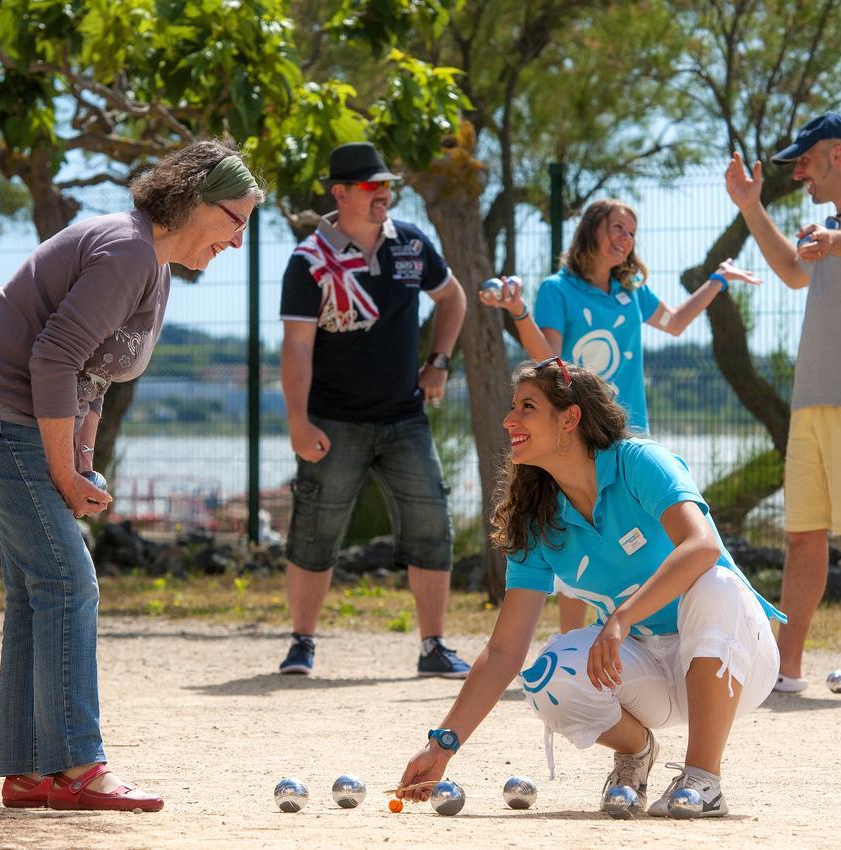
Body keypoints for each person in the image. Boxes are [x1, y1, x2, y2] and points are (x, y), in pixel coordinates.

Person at [0, 139, 262, 810]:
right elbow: (53, 360)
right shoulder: (127, 250)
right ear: (197, 201)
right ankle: (79, 766)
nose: (240, 240)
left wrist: (80, 462)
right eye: (237, 220)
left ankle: (30, 772)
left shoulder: (155, 265)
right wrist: (61, 470)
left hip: (1, 416)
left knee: (39, 585)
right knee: (67, 580)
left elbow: (93, 372)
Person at [396, 359, 784, 818]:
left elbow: (701, 547)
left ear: (570, 418)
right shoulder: (534, 517)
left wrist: (622, 618)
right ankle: (637, 752)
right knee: (545, 675)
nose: (509, 419)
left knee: (716, 582)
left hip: (736, 661)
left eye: (527, 407)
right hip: (648, 669)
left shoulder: (639, 462)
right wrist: (442, 744)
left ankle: (703, 779)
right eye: (512, 407)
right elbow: (504, 651)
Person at [478, 199, 760, 631]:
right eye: (616, 227)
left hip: (624, 439)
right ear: (590, 230)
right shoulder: (558, 289)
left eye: (630, 231)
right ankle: (577, 654)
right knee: (582, 561)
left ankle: (628, 644)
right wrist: (519, 311)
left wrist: (717, 280)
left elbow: (677, 322)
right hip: (576, 441)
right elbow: (550, 361)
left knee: (634, 553)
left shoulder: (631, 292)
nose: (624, 238)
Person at [725, 113, 841, 698]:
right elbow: (790, 270)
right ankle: (786, 670)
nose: (798, 173)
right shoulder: (831, 226)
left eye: (803, 161)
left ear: (838, 155)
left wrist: (834, 241)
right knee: (804, 535)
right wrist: (750, 206)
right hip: (811, 400)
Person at [277, 142, 470, 678]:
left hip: (405, 417)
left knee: (432, 523)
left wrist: (439, 362)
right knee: (315, 531)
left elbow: (453, 299)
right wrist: (298, 422)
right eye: (371, 186)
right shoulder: (309, 260)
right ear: (340, 193)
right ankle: (301, 644)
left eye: (387, 185)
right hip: (333, 422)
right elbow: (295, 346)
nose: (384, 194)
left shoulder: (411, 243)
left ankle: (434, 647)